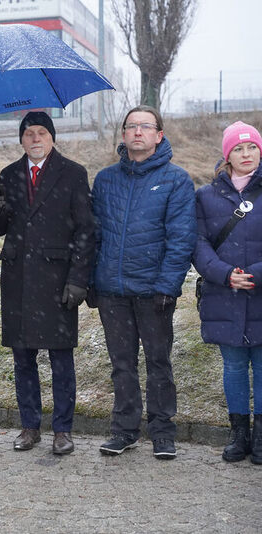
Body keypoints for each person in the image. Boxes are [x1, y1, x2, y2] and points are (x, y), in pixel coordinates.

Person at [0, 111, 95, 455]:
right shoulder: (8, 175)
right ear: (21, 139)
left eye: (41, 133)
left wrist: (79, 278)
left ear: (52, 138)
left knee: (61, 360)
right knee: (23, 359)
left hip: (57, 281)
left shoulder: (73, 174)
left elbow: (86, 230)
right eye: (29, 133)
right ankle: (29, 425)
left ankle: (63, 429)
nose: (35, 139)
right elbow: (1, 228)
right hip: (18, 279)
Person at [91, 105, 196, 460]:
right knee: (121, 363)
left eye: (145, 126)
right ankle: (124, 430)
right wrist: (93, 280)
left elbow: (181, 239)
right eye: (131, 126)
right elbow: (93, 234)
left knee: (158, 362)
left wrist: (168, 286)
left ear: (158, 135)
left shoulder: (176, 180)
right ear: (123, 135)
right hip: (113, 292)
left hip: (154, 291)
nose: (137, 132)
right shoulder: (105, 180)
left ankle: (163, 432)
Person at [193, 121, 262, 464]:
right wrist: (224, 275)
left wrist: (254, 275)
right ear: (227, 155)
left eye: (252, 147)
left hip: (260, 292)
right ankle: (239, 435)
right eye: (238, 148)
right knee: (234, 367)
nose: (246, 154)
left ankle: (261, 437)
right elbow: (198, 243)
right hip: (225, 295)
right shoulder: (206, 196)